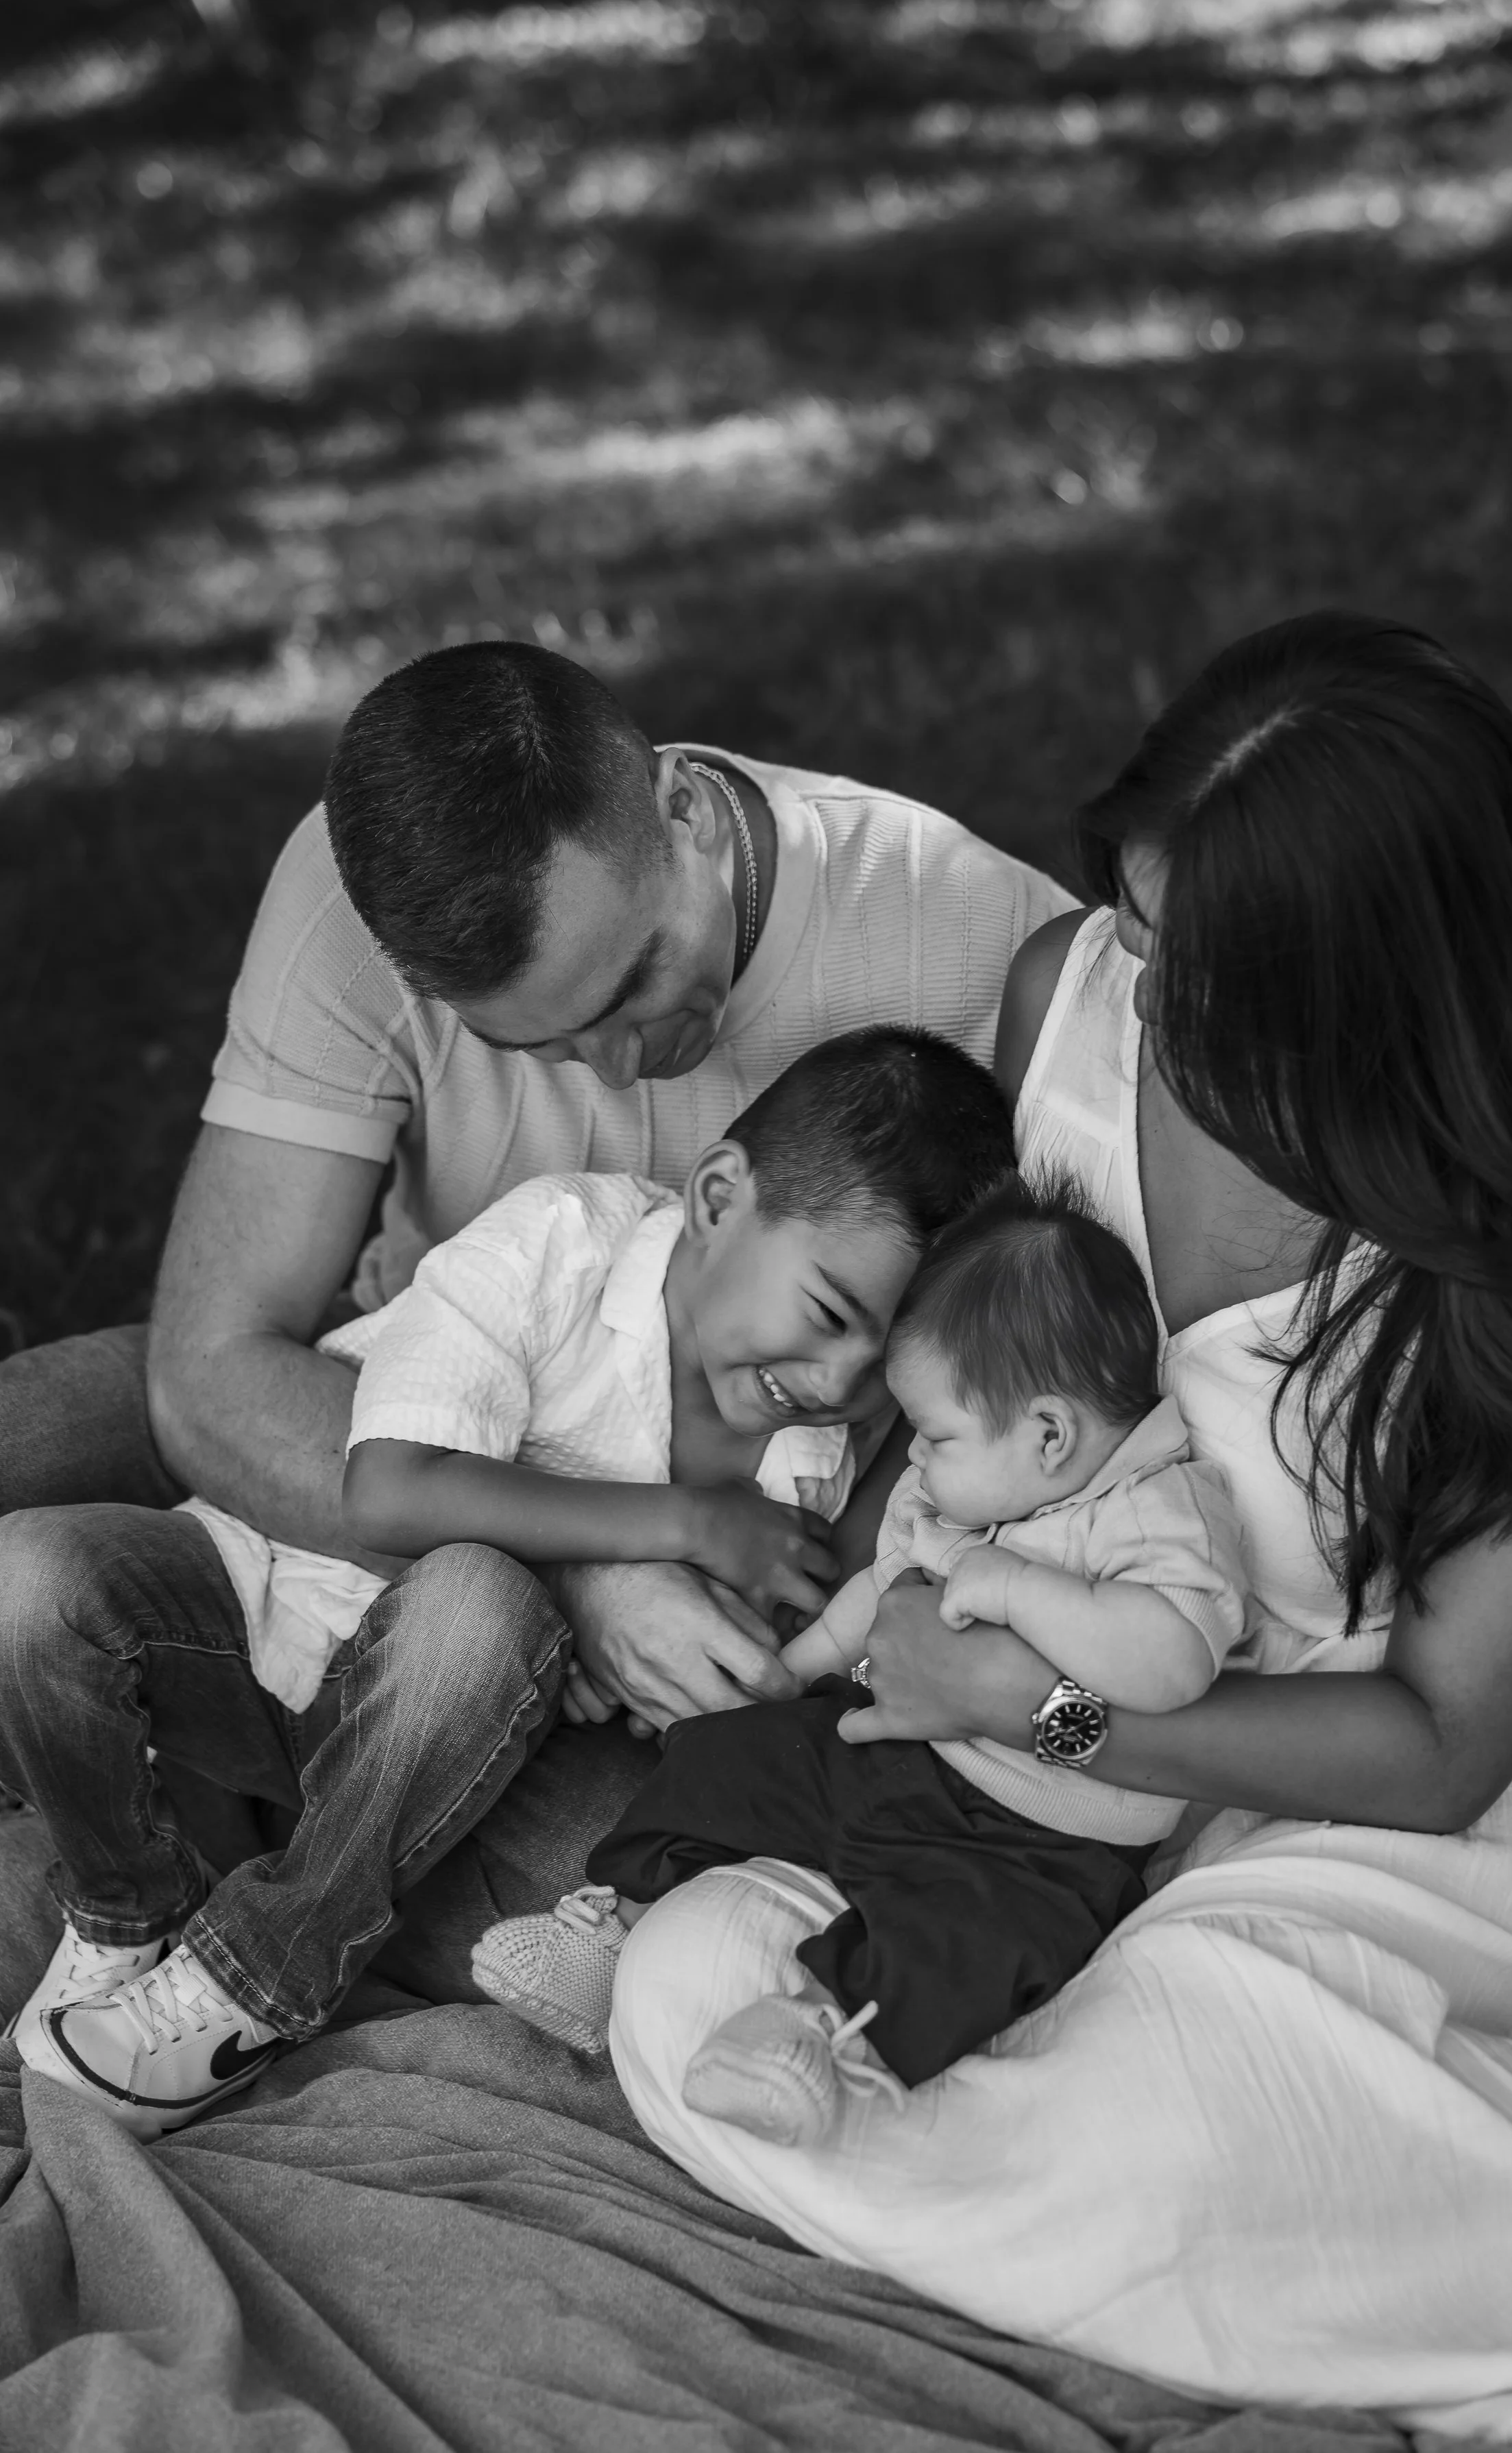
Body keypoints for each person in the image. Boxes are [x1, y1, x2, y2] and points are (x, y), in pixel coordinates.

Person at [598, 616, 1512, 2453]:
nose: (1130, 966)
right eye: (1130, 911)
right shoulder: (1065, 1004)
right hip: (1001, 1783)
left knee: (1183, 2064)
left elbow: (1441, 1744)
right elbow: (942, 1382)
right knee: (685, 1989)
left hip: (1347, 1794)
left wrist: (1042, 1708)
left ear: (1370, 989)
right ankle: (1385, 2213)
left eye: (1190, 960)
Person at [0, 640, 1069, 1750]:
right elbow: (213, 1367)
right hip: (396, 1395)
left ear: (685, 810)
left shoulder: (974, 941)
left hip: (687, 1588)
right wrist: (588, 1571)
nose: (617, 1067)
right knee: (25, 1445)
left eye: (636, 980)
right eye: (544, 1043)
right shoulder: (365, 890)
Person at [6, 1029, 1015, 2136]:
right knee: (33, 1578)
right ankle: (128, 1908)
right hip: (264, 1601)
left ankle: (256, 1978)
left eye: (880, 1373)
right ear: (721, 1196)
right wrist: (675, 1528)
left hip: (459, 1733)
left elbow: (738, 1660)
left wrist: (641, 1662)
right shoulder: (563, 1245)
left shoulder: (816, 1458)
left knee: (487, 1625)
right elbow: (387, 1486)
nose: (833, 1382)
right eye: (827, 1315)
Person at [473, 1179, 1246, 2143]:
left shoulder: (1167, 1511)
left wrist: (1016, 1589)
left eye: (936, 1434)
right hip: (888, 1747)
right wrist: (787, 1674)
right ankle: (611, 1928)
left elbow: (1172, 1666)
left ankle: (813, 2038)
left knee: (978, 1942)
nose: (914, 1461)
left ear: (1048, 1433)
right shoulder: (966, 1490)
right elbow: (874, 1598)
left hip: (1044, 1834)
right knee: (729, 1757)